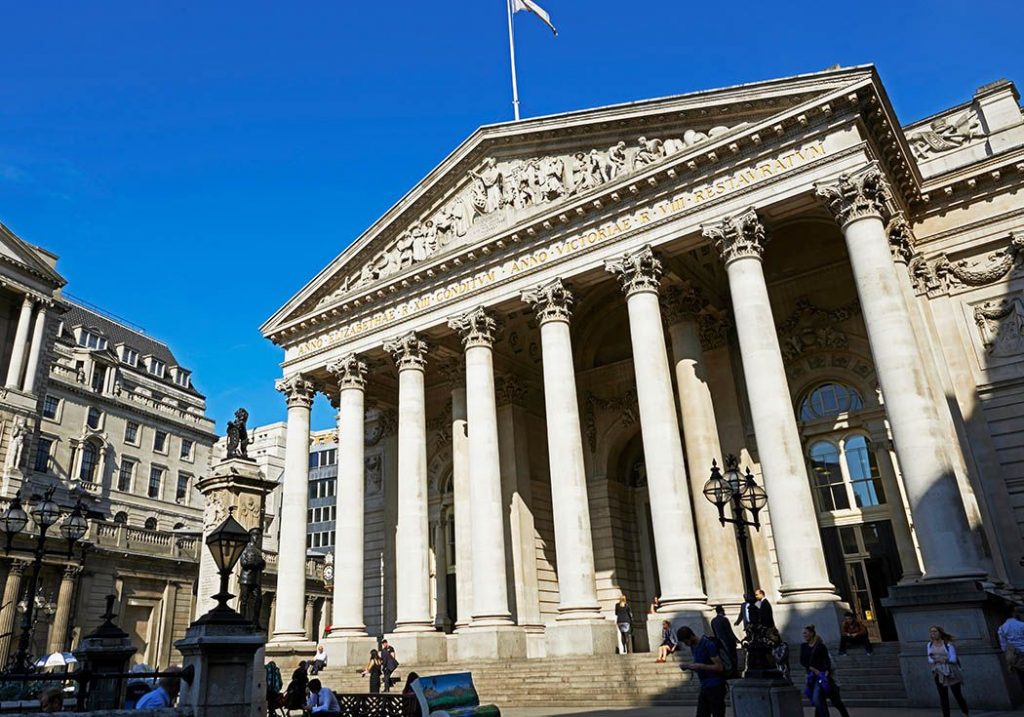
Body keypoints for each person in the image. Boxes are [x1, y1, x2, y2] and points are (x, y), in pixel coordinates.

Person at [799, 625, 849, 717]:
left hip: (823, 677)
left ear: (811, 634)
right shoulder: (804, 646)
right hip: (812, 677)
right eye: (803, 633)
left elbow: (828, 662)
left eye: (805, 633)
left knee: (824, 699)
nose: (804, 635)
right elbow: (803, 661)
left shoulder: (821, 647)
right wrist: (812, 669)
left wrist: (826, 671)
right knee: (820, 701)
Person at [675, 625, 725, 717]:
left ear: (690, 636)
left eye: (686, 642)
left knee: (718, 714)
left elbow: (719, 667)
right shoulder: (693, 647)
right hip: (705, 686)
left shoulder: (708, 644)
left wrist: (701, 666)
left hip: (716, 686)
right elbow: (699, 666)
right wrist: (689, 666)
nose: (686, 644)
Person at [928, 625, 969, 717]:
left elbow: (953, 658)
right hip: (938, 672)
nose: (933, 633)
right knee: (943, 697)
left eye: (935, 631)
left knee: (957, 695)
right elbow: (929, 659)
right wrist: (936, 660)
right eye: (931, 632)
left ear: (940, 633)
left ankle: (965, 712)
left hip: (951, 672)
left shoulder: (948, 644)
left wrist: (943, 660)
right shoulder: (929, 644)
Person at [997, 605, 1024, 690]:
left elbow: (1004, 646)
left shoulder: (1002, 628)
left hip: (1014, 655)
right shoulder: (1021, 625)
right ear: (1014, 613)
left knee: (1021, 677)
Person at [709, 605, 738, 679]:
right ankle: (734, 673)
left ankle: (727, 672)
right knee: (732, 657)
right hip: (727, 641)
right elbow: (729, 631)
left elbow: (714, 632)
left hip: (719, 642)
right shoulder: (724, 619)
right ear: (722, 611)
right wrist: (736, 639)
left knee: (724, 658)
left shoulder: (713, 621)